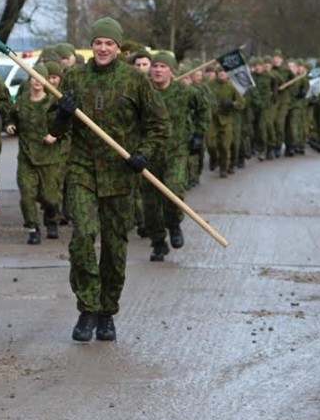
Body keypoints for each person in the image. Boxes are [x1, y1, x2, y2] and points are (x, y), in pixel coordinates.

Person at [49, 17, 170, 342]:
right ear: (91, 45)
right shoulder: (74, 77)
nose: (103, 48)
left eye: (109, 43)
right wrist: (61, 113)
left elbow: (160, 125)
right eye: (98, 42)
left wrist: (142, 152)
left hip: (120, 173)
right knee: (83, 238)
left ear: (118, 47)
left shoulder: (135, 80)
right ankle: (87, 307)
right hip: (82, 170)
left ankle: (107, 312)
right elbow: (54, 129)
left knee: (115, 249)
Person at [141, 51, 208, 262]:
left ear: (171, 71)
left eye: (163, 67)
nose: (158, 70)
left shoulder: (184, 92)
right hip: (148, 154)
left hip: (176, 152)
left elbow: (204, 108)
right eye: (155, 66)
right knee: (150, 204)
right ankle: (159, 243)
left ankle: (174, 223)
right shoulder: (143, 92)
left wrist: (198, 133)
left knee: (175, 190)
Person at [5, 61, 66, 244]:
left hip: (49, 158)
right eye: (34, 77)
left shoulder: (53, 103)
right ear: (30, 80)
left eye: (41, 78)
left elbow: (66, 126)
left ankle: (52, 219)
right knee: (27, 195)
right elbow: (10, 117)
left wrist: (55, 135)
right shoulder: (22, 101)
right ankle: (32, 227)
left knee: (50, 198)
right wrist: (9, 125)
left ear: (46, 81)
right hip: (27, 157)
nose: (37, 81)